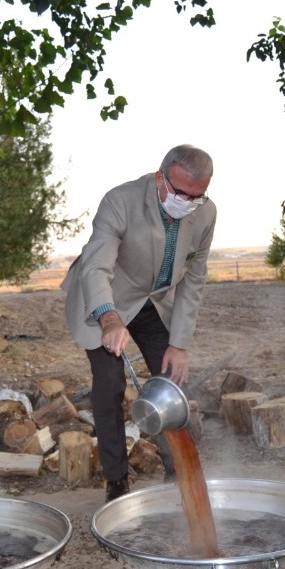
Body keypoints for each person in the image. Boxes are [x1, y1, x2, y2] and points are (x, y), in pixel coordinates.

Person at [62, 144, 216, 502]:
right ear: (161, 178)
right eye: (180, 193)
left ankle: (179, 471)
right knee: (109, 384)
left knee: (171, 384)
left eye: (198, 196)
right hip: (102, 298)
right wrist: (110, 318)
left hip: (152, 302)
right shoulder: (120, 201)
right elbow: (96, 266)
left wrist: (179, 345)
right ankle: (117, 481)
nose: (188, 203)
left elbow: (194, 280)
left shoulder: (205, 213)